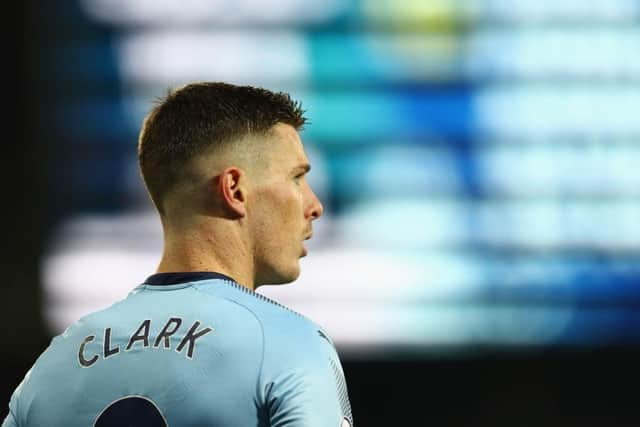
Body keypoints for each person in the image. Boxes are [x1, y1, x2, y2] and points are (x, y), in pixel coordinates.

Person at [3, 82, 354, 427]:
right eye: (296, 178)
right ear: (235, 189)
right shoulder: (291, 346)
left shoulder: (51, 368)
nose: (314, 205)